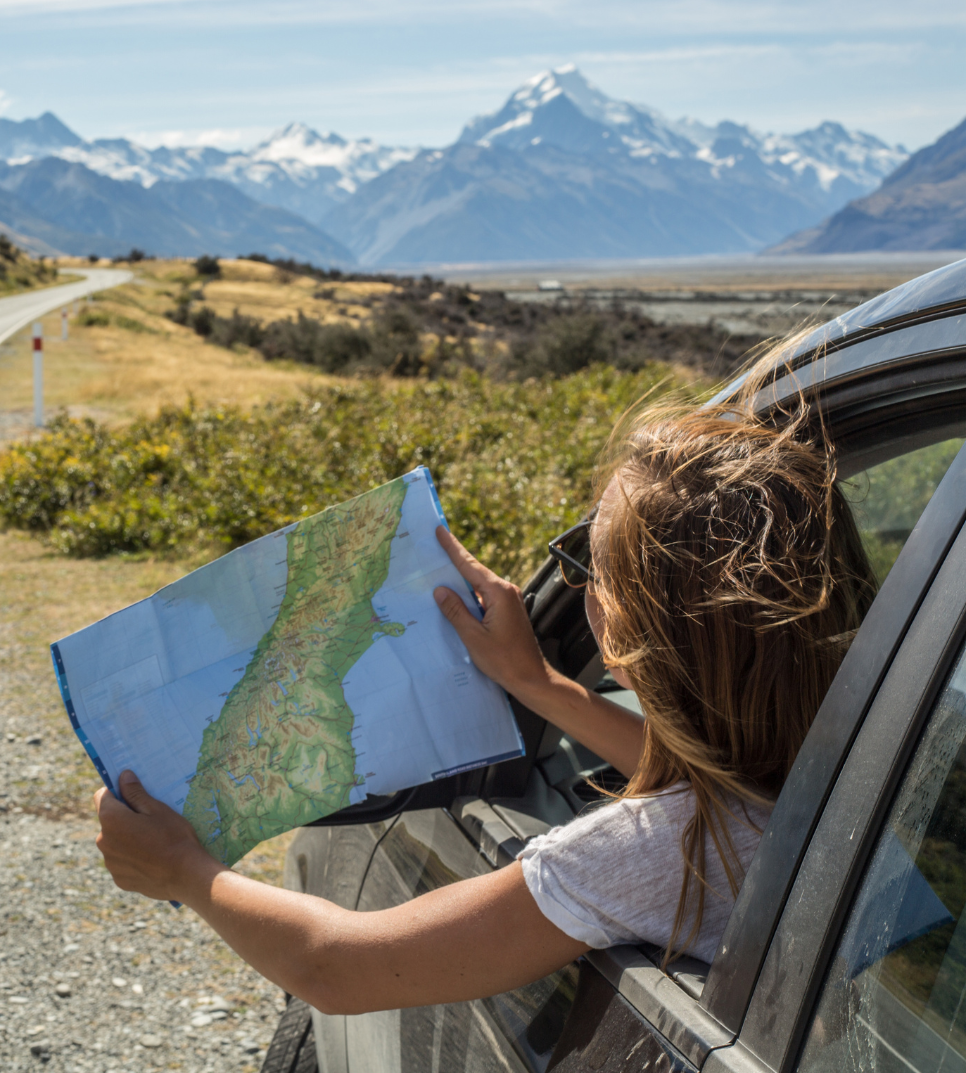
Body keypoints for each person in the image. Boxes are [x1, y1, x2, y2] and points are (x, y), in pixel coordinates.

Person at [92, 371, 876, 1016]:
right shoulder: (862, 754)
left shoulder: (655, 853)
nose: (582, 587)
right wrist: (536, 683)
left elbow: (336, 968)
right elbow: (727, 775)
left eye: (588, 566)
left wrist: (186, 873)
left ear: (627, 626)